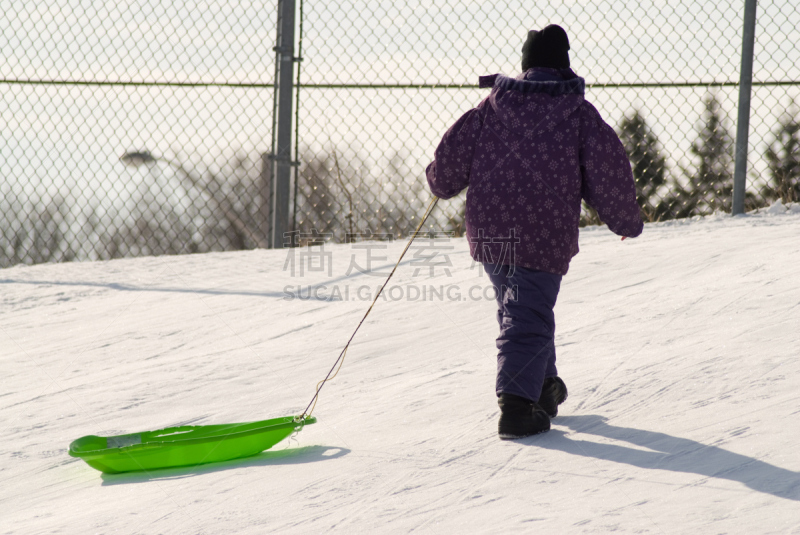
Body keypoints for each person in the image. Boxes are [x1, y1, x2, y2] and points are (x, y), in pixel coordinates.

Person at [425, 24, 643, 439]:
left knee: (519, 308)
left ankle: (541, 387)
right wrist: (626, 221)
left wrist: (439, 180)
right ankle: (517, 407)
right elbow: (609, 173)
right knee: (527, 313)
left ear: (525, 67)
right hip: (542, 234)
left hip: (489, 233)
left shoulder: (491, 106)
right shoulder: (578, 113)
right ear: (564, 66)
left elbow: (449, 161)